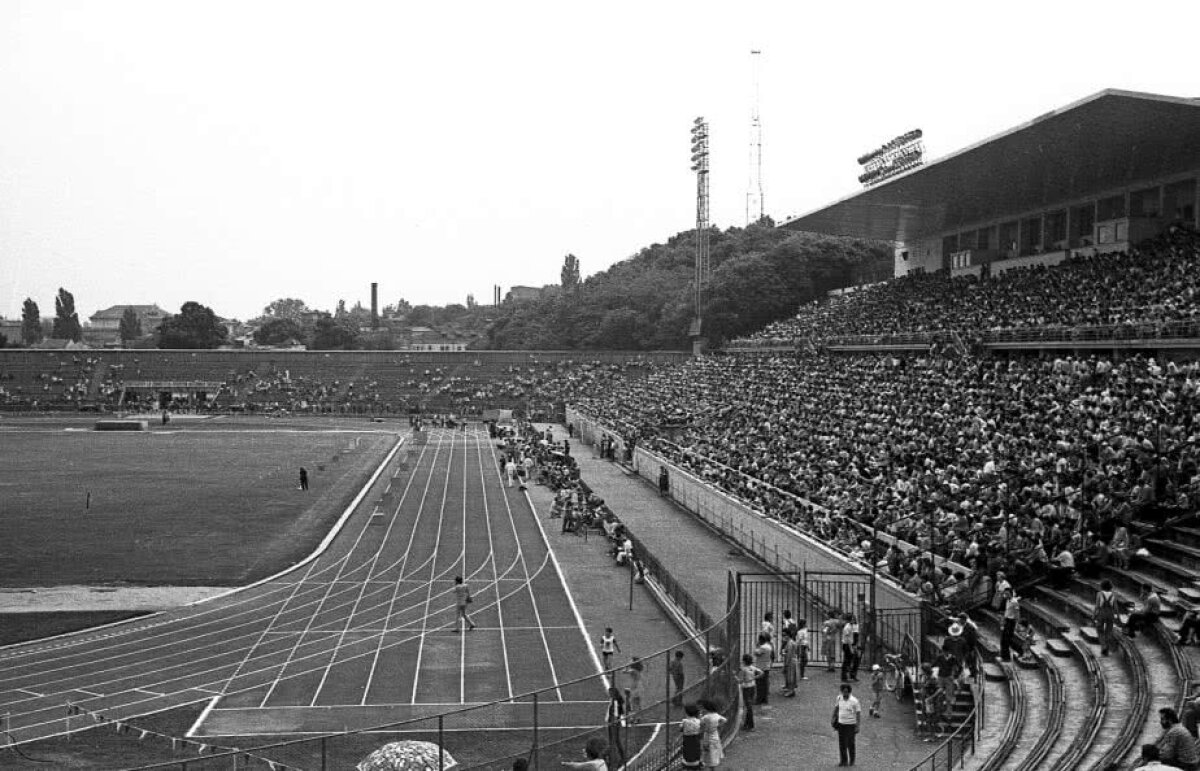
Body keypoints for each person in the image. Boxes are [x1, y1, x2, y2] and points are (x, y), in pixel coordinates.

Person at [832, 682, 861, 767]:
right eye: (843, 692)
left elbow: (858, 713)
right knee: (842, 744)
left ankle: (852, 761)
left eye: (846, 692)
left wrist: (858, 725)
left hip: (851, 725)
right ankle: (843, 761)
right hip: (841, 724)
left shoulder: (854, 701)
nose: (845, 693)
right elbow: (836, 708)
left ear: (849, 692)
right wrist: (833, 717)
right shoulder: (839, 698)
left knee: (850, 743)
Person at [698, 698, 726, 769]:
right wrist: (718, 725)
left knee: (707, 750)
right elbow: (724, 720)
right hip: (715, 734)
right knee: (714, 749)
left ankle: (709, 764)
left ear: (706, 708)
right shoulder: (716, 715)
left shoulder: (706, 717)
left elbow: (700, 723)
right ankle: (713, 764)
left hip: (708, 735)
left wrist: (700, 716)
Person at [1093, 579, 1119, 655]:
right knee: (1108, 631)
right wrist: (1118, 616)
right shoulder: (1113, 594)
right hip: (1110, 613)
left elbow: (1097, 606)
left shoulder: (1099, 594)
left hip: (1102, 613)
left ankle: (1103, 646)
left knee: (1099, 630)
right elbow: (1116, 607)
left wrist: (1094, 615)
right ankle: (1106, 645)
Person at [738, 653, 763, 730]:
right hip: (752, 686)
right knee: (749, 706)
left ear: (744, 661)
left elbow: (740, 681)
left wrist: (734, 677)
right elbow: (761, 672)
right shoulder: (752, 667)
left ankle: (750, 725)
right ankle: (747, 724)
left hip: (746, 688)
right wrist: (754, 678)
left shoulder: (743, 669)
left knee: (748, 707)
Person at [604, 687, 627, 768]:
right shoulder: (614, 700)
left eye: (609, 692)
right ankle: (614, 756)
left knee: (615, 740)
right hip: (612, 722)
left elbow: (616, 713)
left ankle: (621, 757)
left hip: (614, 722)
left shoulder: (615, 701)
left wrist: (613, 721)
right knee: (613, 740)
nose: (608, 694)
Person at [680, 703, 703, 769]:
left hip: (687, 740)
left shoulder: (684, 721)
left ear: (687, 713)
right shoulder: (698, 721)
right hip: (696, 739)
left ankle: (688, 766)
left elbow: (681, 729)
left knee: (687, 752)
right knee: (696, 751)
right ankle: (697, 764)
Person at [999, 589, 1019, 661]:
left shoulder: (1014, 602)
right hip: (1006, 620)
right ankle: (1003, 656)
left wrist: (1016, 624)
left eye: (1007, 594)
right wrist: (1003, 621)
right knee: (1003, 640)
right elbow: (1007, 611)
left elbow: (1017, 613)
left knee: (1007, 640)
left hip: (1011, 622)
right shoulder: (1007, 601)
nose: (1005, 595)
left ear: (1010, 594)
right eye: (1005, 594)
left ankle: (1006, 657)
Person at [753, 633, 773, 704]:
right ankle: (765, 699)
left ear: (761, 640)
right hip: (766, 666)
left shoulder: (762, 647)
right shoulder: (769, 646)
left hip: (760, 667)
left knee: (759, 684)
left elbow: (756, 653)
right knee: (765, 684)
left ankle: (759, 699)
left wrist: (757, 646)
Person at [841, 614, 861, 681]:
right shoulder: (847, 627)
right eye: (852, 619)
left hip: (851, 645)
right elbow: (847, 639)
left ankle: (852, 675)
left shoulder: (852, 626)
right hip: (847, 645)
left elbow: (854, 637)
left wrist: (854, 646)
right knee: (847, 661)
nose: (854, 620)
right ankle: (844, 676)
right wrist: (851, 648)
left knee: (855, 660)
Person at [780, 629, 798, 697]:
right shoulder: (790, 642)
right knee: (789, 676)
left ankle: (791, 691)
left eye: (785, 635)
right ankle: (790, 689)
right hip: (791, 660)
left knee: (790, 676)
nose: (783, 636)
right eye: (783, 635)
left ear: (788, 635)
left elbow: (789, 654)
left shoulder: (790, 643)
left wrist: (786, 664)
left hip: (790, 661)